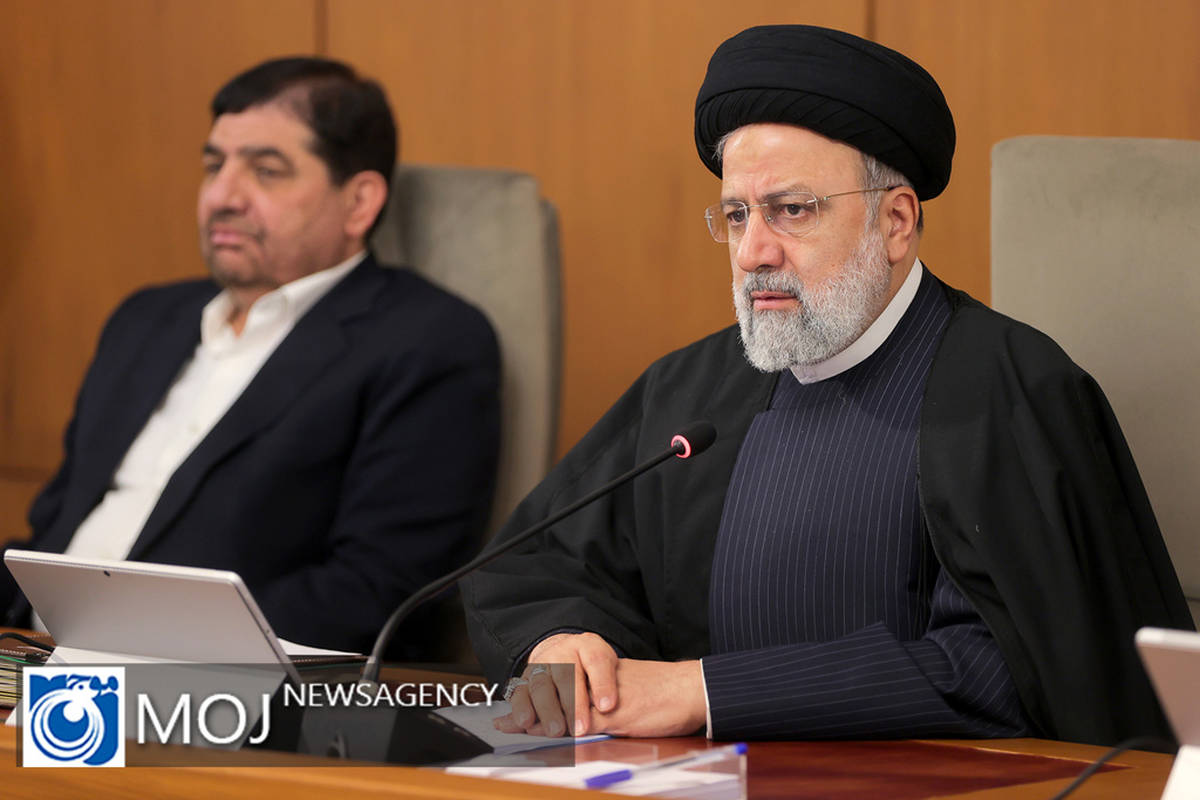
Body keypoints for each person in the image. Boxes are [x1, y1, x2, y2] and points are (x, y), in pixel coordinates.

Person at [463, 25, 1192, 745]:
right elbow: (533, 563)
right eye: (738, 215)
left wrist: (707, 692)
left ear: (896, 221)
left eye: (792, 210)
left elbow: (1014, 671)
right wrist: (562, 642)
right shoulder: (688, 391)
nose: (752, 252)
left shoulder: (1009, 388)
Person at [0, 57, 501, 656]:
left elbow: (377, 590)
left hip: (201, 685)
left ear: (359, 202)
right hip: (25, 656)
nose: (221, 195)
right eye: (214, 165)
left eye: (266, 171)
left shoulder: (428, 340)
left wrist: (133, 650)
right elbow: (52, 533)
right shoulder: (144, 321)